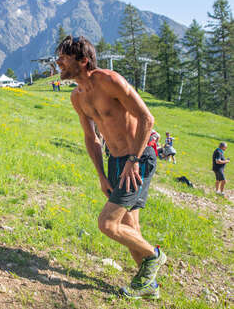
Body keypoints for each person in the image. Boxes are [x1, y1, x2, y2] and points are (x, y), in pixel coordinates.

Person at [57, 35, 165, 299]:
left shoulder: (109, 80)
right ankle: (148, 284)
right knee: (129, 225)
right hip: (115, 161)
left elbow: (146, 118)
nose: (58, 62)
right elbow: (91, 138)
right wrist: (101, 175)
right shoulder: (77, 97)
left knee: (108, 223)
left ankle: (154, 256)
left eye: (64, 58)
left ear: (83, 61)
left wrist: (133, 161)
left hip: (138, 157)